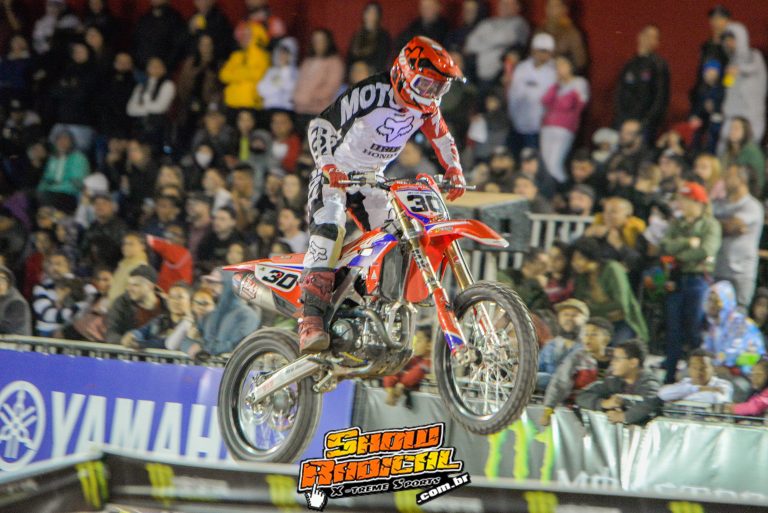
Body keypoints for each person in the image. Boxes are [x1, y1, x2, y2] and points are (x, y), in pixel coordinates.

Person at [299, 36, 467, 353]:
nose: (431, 94)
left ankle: (377, 305)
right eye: (426, 84)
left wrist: (454, 170)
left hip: (372, 181)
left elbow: (443, 139)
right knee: (330, 229)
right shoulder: (373, 92)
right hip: (335, 176)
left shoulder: (427, 109)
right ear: (404, 72)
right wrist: (328, 165)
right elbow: (321, 124)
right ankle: (310, 321)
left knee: (398, 237)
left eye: (438, 88)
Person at [660, 181, 722, 383]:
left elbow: (706, 250)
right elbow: (665, 246)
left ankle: (700, 377)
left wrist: (679, 254)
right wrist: (687, 243)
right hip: (676, 278)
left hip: (698, 279)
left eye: (687, 200)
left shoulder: (710, 224)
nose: (683, 204)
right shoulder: (677, 224)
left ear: (699, 203)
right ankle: (670, 376)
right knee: (673, 328)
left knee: (695, 328)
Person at [571, 236, 648, 343]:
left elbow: (621, 304)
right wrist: (605, 310)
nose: (574, 263)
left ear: (590, 256)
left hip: (622, 323)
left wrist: (593, 308)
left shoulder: (612, 269)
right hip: (597, 325)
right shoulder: (582, 277)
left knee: (616, 351)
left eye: (579, 258)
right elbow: (581, 306)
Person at [541, 316, 613, 424]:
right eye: (585, 334)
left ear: (606, 339)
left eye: (593, 334)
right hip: (577, 411)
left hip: (609, 412)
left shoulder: (618, 358)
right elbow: (560, 382)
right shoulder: (577, 358)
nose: (588, 338)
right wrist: (549, 408)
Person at [576, 339, 661, 425]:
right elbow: (582, 396)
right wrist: (604, 403)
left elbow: (649, 402)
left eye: (617, 359)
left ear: (633, 363)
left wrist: (623, 417)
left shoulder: (650, 383)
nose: (612, 362)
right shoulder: (613, 381)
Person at [713, 164, 763, 307]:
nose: (725, 179)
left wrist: (718, 224)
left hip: (740, 274)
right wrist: (724, 225)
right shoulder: (719, 204)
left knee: (737, 317)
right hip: (718, 269)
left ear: (742, 179)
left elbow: (730, 226)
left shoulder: (752, 206)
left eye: (729, 176)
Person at [181, 269, 261, 357]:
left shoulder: (247, 315)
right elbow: (186, 340)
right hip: (206, 367)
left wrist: (203, 349)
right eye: (210, 283)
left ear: (228, 285)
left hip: (229, 369)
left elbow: (237, 346)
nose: (210, 287)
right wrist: (191, 346)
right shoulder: (209, 314)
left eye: (215, 283)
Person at [614, 25, 669, 140]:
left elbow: (661, 97)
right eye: (647, 36)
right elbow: (620, 92)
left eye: (654, 37)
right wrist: (621, 118)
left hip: (645, 124)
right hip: (624, 120)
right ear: (639, 37)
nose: (649, 40)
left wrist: (647, 121)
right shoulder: (630, 64)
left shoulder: (658, 65)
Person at [540, 55, 589, 183]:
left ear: (570, 66)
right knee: (545, 165)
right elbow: (545, 101)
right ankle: (549, 191)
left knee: (554, 164)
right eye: (557, 66)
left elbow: (578, 104)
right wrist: (556, 84)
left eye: (562, 65)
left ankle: (561, 189)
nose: (559, 69)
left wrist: (565, 90)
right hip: (548, 126)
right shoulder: (556, 85)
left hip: (564, 128)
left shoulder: (579, 82)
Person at [702, 280, 765, 377]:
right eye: (709, 300)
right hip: (723, 369)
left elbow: (733, 355)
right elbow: (706, 350)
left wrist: (713, 363)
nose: (711, 305)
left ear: (726, 302)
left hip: (746, 373)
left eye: (715, 301)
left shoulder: (739, 323)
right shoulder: (715, 326)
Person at [507, 33, 556, 154]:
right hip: (517, 122)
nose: (543, 54)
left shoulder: (553, 71)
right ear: (533, 50)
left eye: (546, 51)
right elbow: (514, 95)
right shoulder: (522, 68)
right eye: (540, 50)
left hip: (540, 126)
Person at [719, 22, 767, 146]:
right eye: (727, 41)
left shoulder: (754, 56)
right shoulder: (730, 62)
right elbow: (728, 87)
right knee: (726, 147)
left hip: (751, 115)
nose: (729, 43)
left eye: (732, 40)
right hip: (732, 114)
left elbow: (753, 69)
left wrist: (739, 69)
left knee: (748, 147)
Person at [463, 0, 529, 87]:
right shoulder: (488, 22)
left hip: (498, 73)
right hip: (477, 68)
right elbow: (470, 44)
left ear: (517, 7)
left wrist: (484, 41)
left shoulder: (520, 24)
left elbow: (507, 39)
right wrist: (493, 45)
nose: (504, 7)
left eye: (508, 4)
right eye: (502, 4)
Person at [122, 281, 193, 350]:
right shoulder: (160, 320)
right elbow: (143, 331)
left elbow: (165, 344)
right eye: (172, 297)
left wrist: (140, 344)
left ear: (190, 301)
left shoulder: (192, 325)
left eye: (180, 297)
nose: (175, 301)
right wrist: (132, 335)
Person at [106, 265, 165, 344]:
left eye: (135, 285)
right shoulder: (122, 303)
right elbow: (111, 333)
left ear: (150, 286)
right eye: (129, 284)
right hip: (127, 354)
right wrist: (124, 341)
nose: (129, 288)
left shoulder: (166, 305)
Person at [538, 298, 589, 389]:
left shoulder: (589, 345)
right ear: (558, 318)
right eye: (565, 314)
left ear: (584, 320)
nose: (569, 318)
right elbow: (536, 368)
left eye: (574, 315)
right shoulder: (550, 346)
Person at [293, 29, 345, 117]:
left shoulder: (335, 62)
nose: (318, 43)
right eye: (315, 40)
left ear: (328, 42)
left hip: (319, 112)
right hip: (299, 109)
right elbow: (299, 83)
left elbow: (330, 88)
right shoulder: (307, 61)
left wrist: (307, 99)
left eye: (321, 40)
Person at [126, 57, 176, 150]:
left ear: (164, 69)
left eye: (158, 66)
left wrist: (143, 105)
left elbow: (160, 108)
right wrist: (148, 108)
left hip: (158, 129)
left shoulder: (168, 85)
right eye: (152, 65)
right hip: (140, 128)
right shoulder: (141, 86)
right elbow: (130, 109)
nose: (154, 68)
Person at [219, 21, 270, 110]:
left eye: (248, 35)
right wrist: (246, 73)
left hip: (251, 104)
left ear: (256, 36)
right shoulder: (236, 56)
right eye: (243, 35)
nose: (243, 38)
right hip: (231, 103)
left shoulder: (263, 56)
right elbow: (223, 75)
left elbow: (258, 74)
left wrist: (236, 73)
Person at [37, 130, 89, 211]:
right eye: (59, 139)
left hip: (69, 195)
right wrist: (40, 190)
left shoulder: (78, 158)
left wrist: (53, 188)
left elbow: (76, 183)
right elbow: (46, 179)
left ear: (71, 142)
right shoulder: (53, 158)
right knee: (26, 197)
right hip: (51, 192)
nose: (62, 142)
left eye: (65, 139)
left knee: (44, 198)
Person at [658, 349, 733, 404]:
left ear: (713, 369)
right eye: (694, 368)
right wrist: (698, 389)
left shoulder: (723, 384)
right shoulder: (686, 382)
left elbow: (713, 398)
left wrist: (678, 401)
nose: (699, 372)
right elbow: (663, 394)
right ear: (689, 369)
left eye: (703, 368)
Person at [383, 328, 432, 407]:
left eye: (419, 341)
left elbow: (417, 372)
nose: (415, 344)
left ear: (429, 345)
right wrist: (390, 388)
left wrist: (402, 384)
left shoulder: (429, 363)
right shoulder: (414, 360)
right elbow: (396, 368)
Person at [719, 117, 765, 196]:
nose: (732, 131)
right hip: (727, 191)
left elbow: (757, 181)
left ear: (745, 131)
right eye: (731, 128)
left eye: (736, 128)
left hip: (748, 194)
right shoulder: (728, 152)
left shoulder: (752, 152)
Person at [132, 0, 185, 70]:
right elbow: (135, 40)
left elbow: (178, 47)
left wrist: (165, 66)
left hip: (161, 71)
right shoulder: (145, 17)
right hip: (139, 68)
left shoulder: (175, 19)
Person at [538, 0, 587, 73]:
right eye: (549, 6)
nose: (551, 10)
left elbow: (580, 62)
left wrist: (563, 68)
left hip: (562, 76)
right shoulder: (540, 30)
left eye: (555, 6)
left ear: (564, 9)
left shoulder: (572, 33)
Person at [347, 2, 391, 73]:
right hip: (354, 73)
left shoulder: (383, 36)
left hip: (372, 74)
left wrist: (366, 69)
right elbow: (349, 58)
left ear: (378, 16)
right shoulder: (357, 35)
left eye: (374, 13)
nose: (371, 15)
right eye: (369, 12)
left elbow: (381, 60)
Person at [257, 37, 299, 111]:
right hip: (269, 107)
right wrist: (279, 86)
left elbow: (290, 88)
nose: (282, 56)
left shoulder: (296, 72)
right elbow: (261, 89)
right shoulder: (271, 71)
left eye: (285, 53)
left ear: (291, 55)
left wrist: (285, 69)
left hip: (286, 109)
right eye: (280, 52)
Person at [108, 232, 149, 303]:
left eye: (131, 244)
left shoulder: (140, 267)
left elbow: (133, 297)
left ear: (142, 246)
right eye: (124, 244)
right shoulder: (123, 264)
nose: (125, 247)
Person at [0, 265, 31, 335]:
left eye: (2, 279)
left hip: (16, 343)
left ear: (9, 282)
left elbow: (7, 327)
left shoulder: (17, 302)